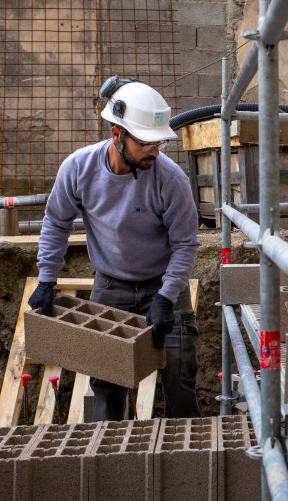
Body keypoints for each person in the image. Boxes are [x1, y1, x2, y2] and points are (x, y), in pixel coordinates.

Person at [27, 76, 201, 420]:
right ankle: (111, 464)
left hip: (163, 285)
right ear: (117, 134)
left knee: (180, 373)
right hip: (111, 286)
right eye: (146, 143)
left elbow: (185, 244)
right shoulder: (78, 168)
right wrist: (46, 279)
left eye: (159, 143)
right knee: (106, 384)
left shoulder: (171, 179)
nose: (154, 151)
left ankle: (189, 463)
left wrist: (167, 297)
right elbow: (57, 222)